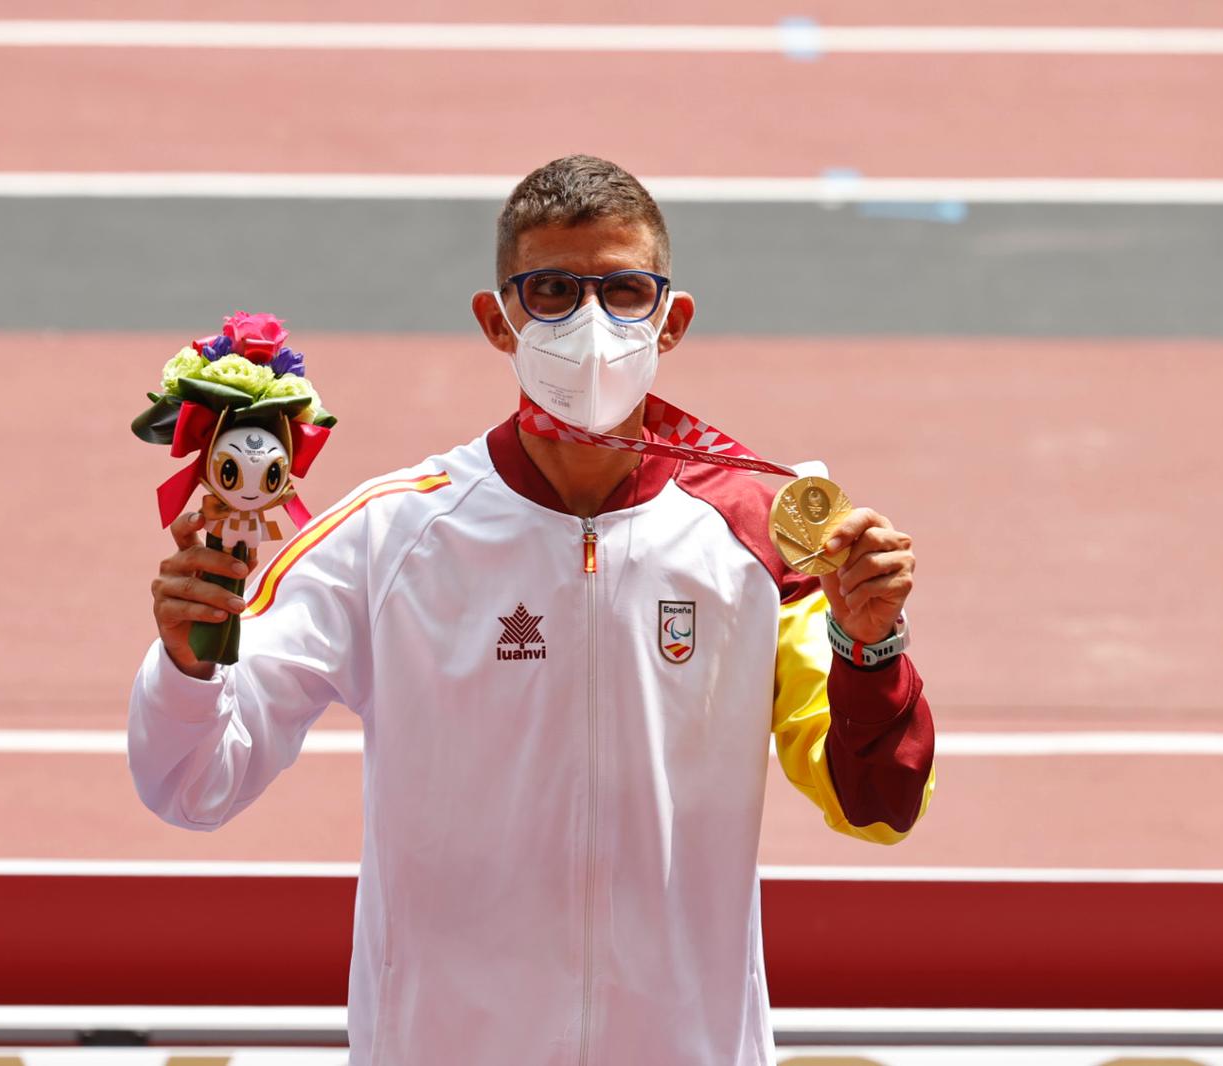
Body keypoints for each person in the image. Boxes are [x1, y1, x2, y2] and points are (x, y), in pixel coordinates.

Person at [129, 154, 935, 1066]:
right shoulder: (389, 538)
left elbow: (877, 804)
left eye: (624, 291)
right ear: (497, 318)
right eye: (552, 290)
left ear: (670, 321)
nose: (591, 324)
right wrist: (189, 665)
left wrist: (870, 650)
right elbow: (193, 785)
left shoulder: (765, 537)